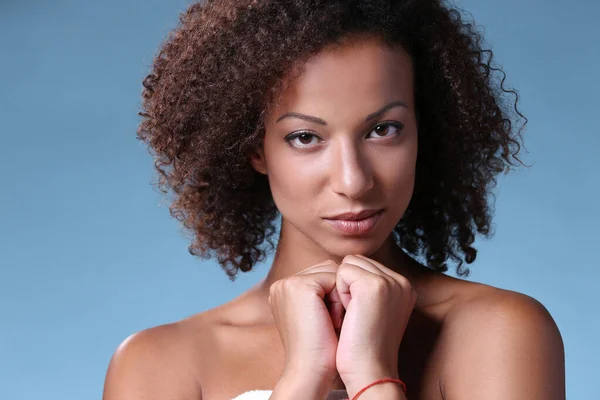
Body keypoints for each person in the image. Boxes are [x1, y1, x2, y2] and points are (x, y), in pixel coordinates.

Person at [102, 0, 566, 399]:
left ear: (425, 130)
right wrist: (304, 378)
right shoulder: (157, 365)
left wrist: (372, 374)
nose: (354, 180)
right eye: (306, 137)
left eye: (383, 130)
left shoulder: (500, 332)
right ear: (253, 148)